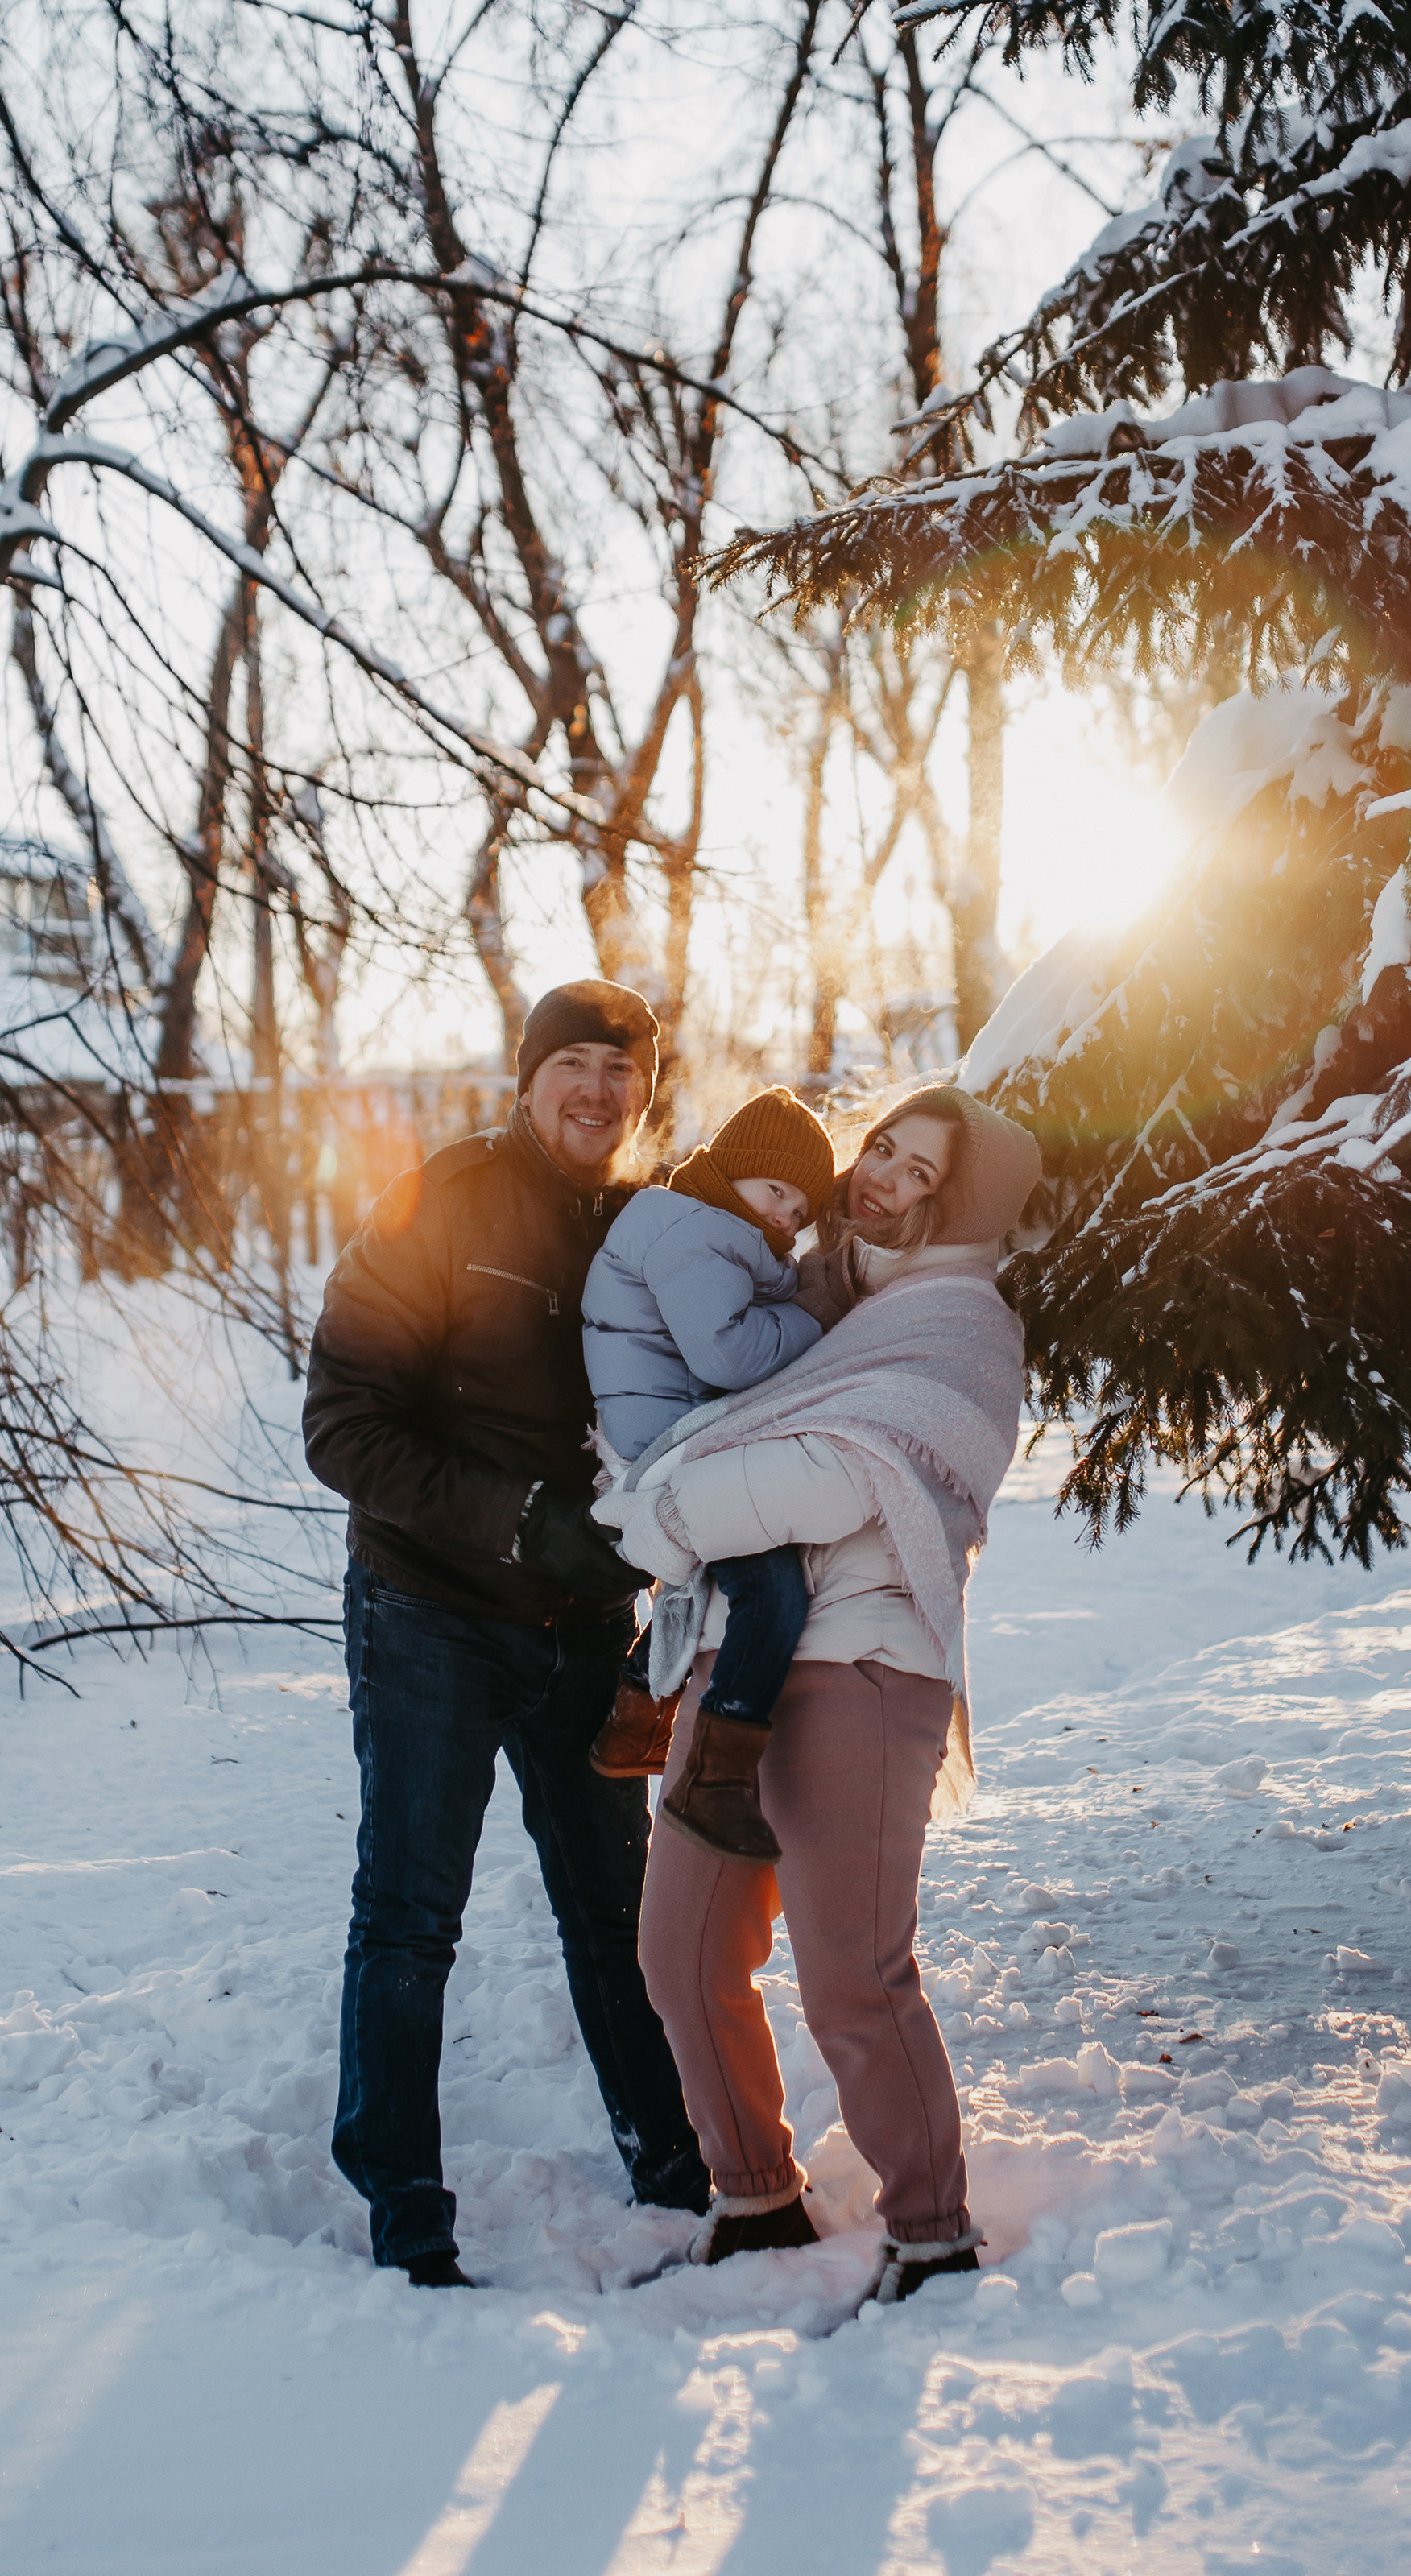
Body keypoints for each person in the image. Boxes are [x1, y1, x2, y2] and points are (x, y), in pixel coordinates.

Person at [599, 1086, 1041, 2297]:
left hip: (862, 1664)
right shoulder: (817, 1300)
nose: (880, 1174)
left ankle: (933, 2233)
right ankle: (754, 2202)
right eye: (882, 1147)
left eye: (916, 1170)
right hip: (731, 1662)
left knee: (853, 1970)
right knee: (680, 1952)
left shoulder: (961, 1328)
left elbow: (839, 1476)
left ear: (960, 1206)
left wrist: (659, 1506)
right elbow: (731, 1416)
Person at [302, 980, 710, 2287]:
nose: (597, 1090)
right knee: (412, 1913)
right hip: (433, 1613)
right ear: (526, 1078)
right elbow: (344, 1426)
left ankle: (675, 2171)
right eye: (573, 1064)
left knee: (619, 1915)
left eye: (621, 1068)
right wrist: (522, 1518)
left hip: (590, 1634)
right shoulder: (447, 1200)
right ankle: (403, 2202)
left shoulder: (657, 1229)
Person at [581, 1085, 838, 1842]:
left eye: (800, 1211)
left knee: (706, 1575)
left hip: (659, 1431)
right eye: (776, 1192)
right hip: (666, 1441)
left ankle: (634, 1724)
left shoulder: (698, 1227)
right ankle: (715, 1781)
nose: (786, 1218)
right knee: (771, 1582)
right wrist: (817, 1313)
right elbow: (726, 1353)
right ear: (730, 1173)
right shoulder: (700, 1232)